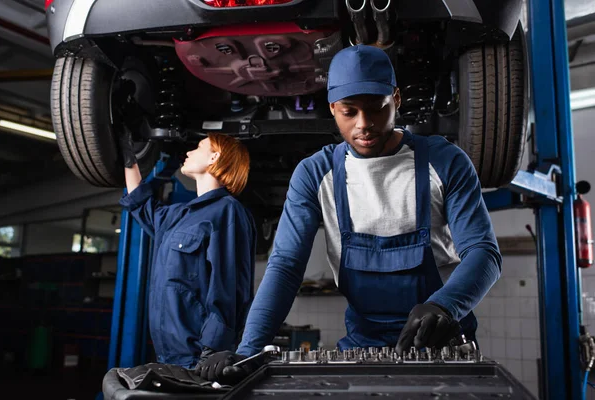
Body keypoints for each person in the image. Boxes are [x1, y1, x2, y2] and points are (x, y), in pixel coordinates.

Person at [194, 44, 502, 383]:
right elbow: (285, 266)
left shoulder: (444, 161)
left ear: (396, 99)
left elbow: (484, 253)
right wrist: (248, 349)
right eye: (349, 112)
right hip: (363, 346)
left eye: (377, 109)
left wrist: (445, 306)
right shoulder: (315, 174)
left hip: (443, 343)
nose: (364, 124)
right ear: (332, 108)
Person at [118, 131, 256, 369]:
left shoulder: (227, 211)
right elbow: (140, 202)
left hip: (199, 358)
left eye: (199, 146)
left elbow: (229, 285)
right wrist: (127, 151)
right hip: (167, 354)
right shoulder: (180, 215)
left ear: (214, 157)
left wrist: (213, 349)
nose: (189, 152)